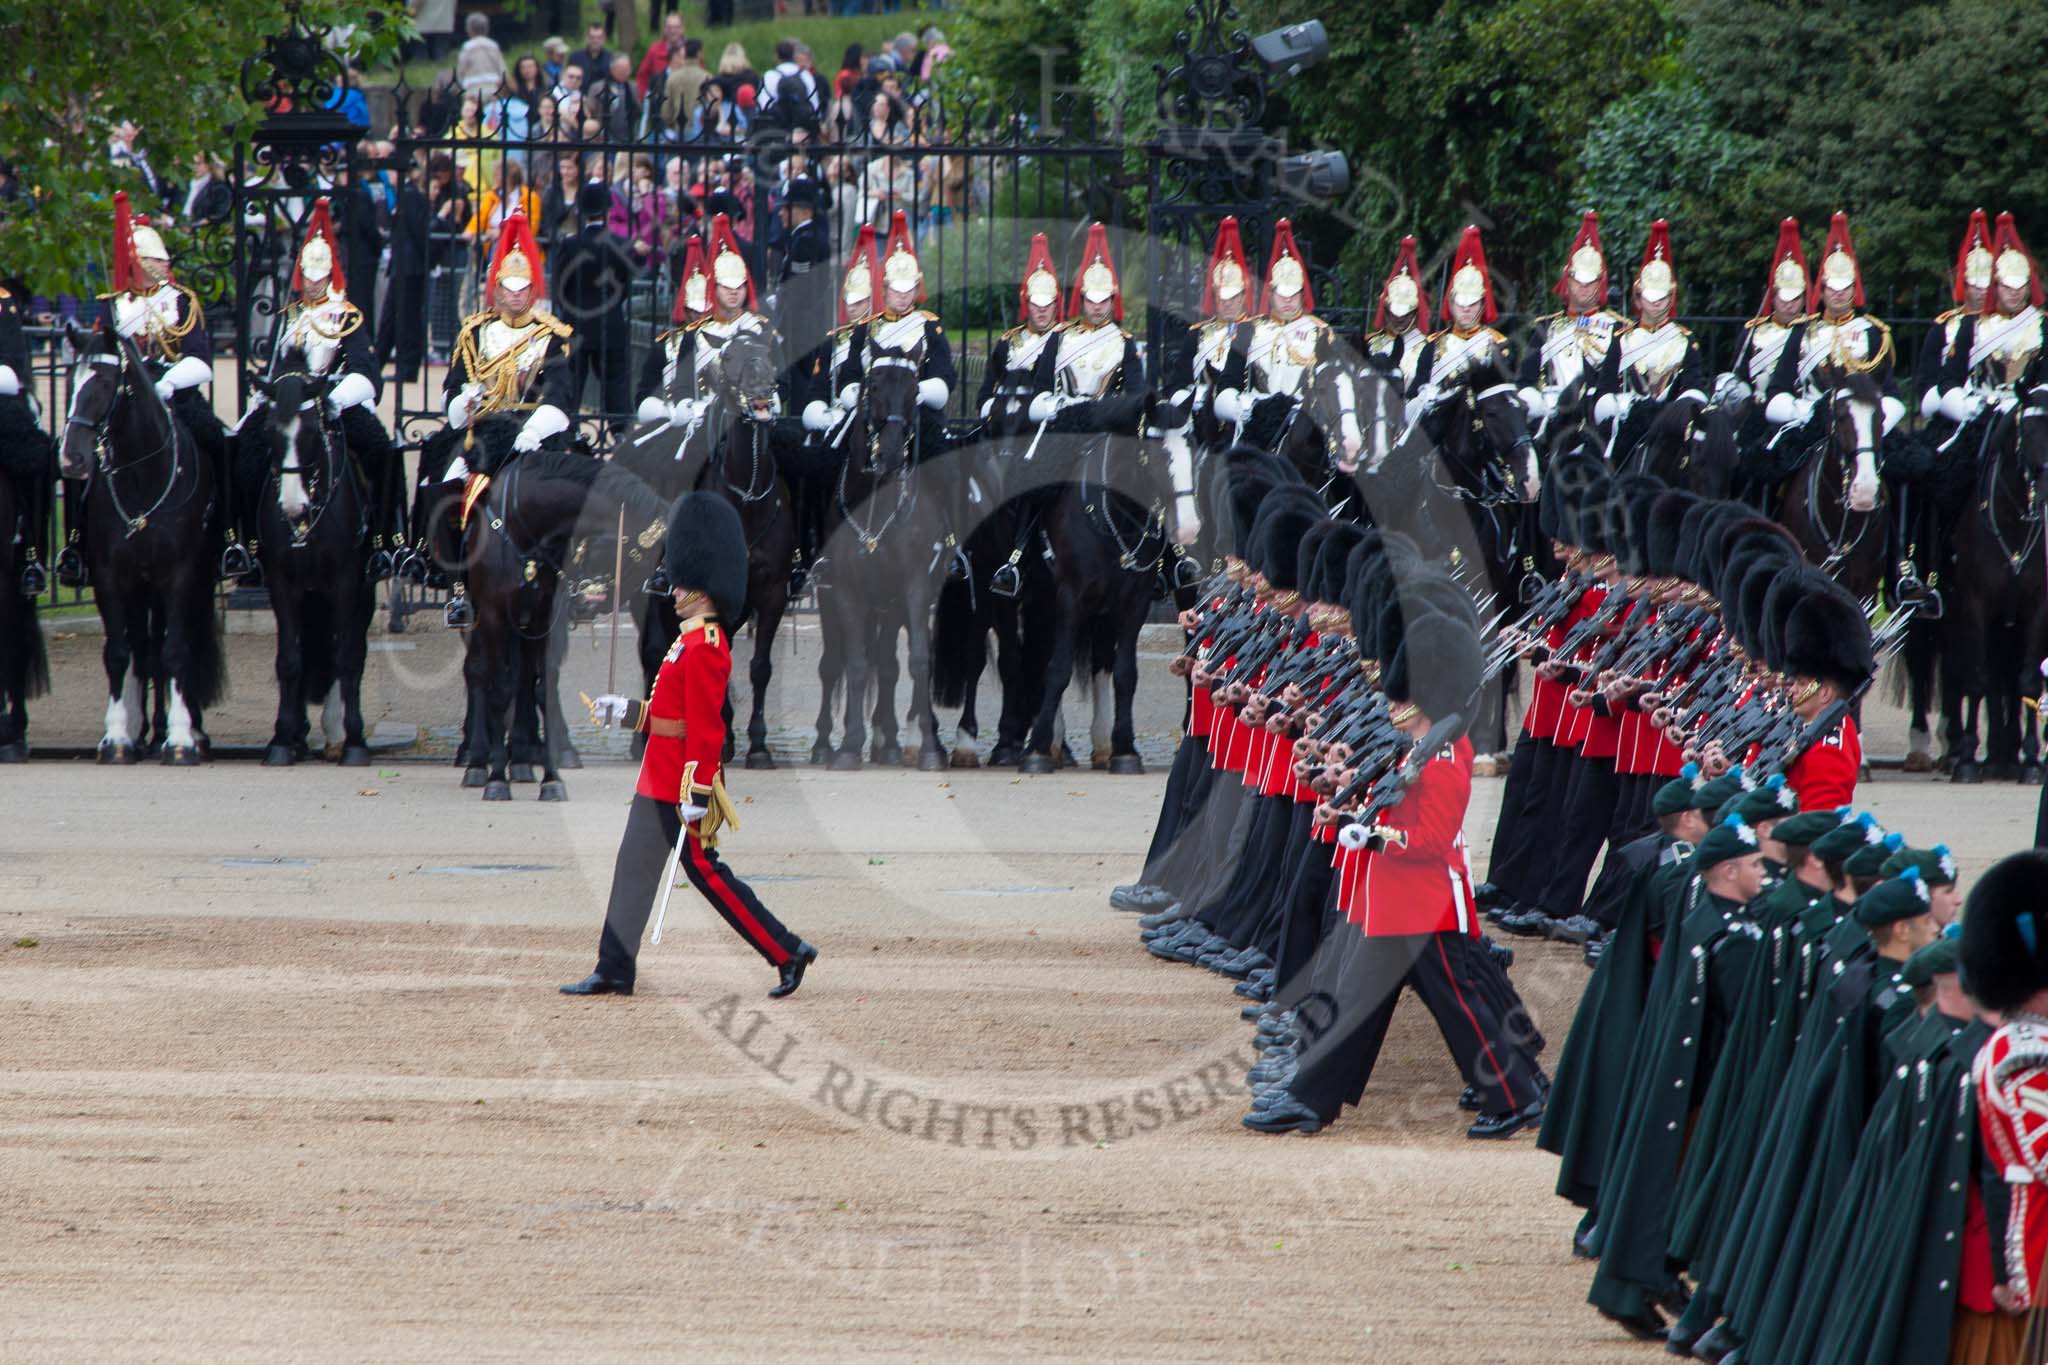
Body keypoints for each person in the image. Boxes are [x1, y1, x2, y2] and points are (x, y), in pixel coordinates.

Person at [564, 492, 819, 999]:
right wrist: (628, 713)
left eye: (682, 583)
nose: (673, 589)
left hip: (683, 782)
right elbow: (670, 719)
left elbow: (706, 729)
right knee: (633, 867)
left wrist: (698, 787)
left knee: (708, 876)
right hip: (660, 776)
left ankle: (788, 950)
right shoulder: (687, 639)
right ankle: (614, 967)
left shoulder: (706, 646)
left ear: (702, 589)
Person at [77, 192, 238, 581]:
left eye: (161, 260)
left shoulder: (182, 301)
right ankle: (77, 545)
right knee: (82, 451)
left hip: (175, 394)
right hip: (124, 399)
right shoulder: (116, 305)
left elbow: (200, 360)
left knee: (220, 444)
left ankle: (230, 536)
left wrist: (166, 384)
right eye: (151, 261)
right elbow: (101, 355)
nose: (160, 267)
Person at [429, 213, 575, 625]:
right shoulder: (474, 333)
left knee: (569, 490)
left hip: (533, 431)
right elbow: (453, 387)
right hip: (484, 430)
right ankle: (453, 578)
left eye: (522, 288)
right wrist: (464, 402)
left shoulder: (552, 336)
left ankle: (572, 579)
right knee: (446, 478)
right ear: (496, 288)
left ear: (532, 289)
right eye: (508, 288)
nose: (515, 296)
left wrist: (532, 431)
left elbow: (562, 396)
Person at [253, 198, 402, 579]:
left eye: (320, 276)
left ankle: (386, 543)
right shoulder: (290, 316)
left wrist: (334, 399)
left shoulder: (345, 314)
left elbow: (367, 373)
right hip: (288, 404)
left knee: (382, 452)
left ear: (331, 274)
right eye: (308, 276)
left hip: (333, 401)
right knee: (242, 450)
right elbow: (274, 366)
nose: (313, 283)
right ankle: (244, 543)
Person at [1591, 219, 1708, 461]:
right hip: (1629, 423)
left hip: (1671, 425)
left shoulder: (1685, 340)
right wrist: (1619, 405)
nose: (1656, 303)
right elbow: (1606, 386)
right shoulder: (1622, 339)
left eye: (1662, 297)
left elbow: (1693, 386)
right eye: (1650, 297)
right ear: (1639, 297)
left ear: (1671, 297)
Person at [1517, 210, 1623, 428]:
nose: (1584, 288)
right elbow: (1526, 381)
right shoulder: (1545, 328)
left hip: (1598, 420)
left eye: (1590, 282)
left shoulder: (1617, 328)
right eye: (1578, 281)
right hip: (1552, 419)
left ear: (1599, 284)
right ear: (1568, 281)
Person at [551, 181, 639, 435]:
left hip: (575, 323)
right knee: (615, 383)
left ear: (580, 211)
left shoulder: (569, 244)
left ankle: (571, 432)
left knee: (572, 383)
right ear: (609, 211)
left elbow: (559, 287)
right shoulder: (621, 244)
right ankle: (619, 431)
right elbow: (624, 288)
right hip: (609, 324)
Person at [0, 272, 54, 596]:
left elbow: (12, 366)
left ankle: (32, 553)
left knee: (37, 459)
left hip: (2, 397)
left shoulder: (4, 301)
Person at [1361, 235, 1430, 392]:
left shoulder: (1427, 348)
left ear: (1415, 311)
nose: (1399, 318)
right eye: (1394, 312)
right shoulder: (1371, 344)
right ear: (1386, 310)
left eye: (1406, 313)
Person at [636, 12, 687, 99]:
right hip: (659, 100)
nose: (672, 31)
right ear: (664, 29)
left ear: (683, 29)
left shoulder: (691, 50)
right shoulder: (654, 50)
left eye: (676, 27)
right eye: (669, 27)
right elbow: (642, 76)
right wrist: (645, 98)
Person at [455, 13, 508, 96]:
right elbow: (502, 69)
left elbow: (461, 70)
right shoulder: (493, 45)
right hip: (493, 87)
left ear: (469, 29)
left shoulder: (467, 47)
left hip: (472, 87)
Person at [564, 23, 613, 88]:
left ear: (604, 38)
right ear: (586, 37)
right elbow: (568, 80)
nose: (596, 41)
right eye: (592, 37)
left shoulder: (611, 59)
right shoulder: (575, 57)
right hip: (579, 96)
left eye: (599, 37)